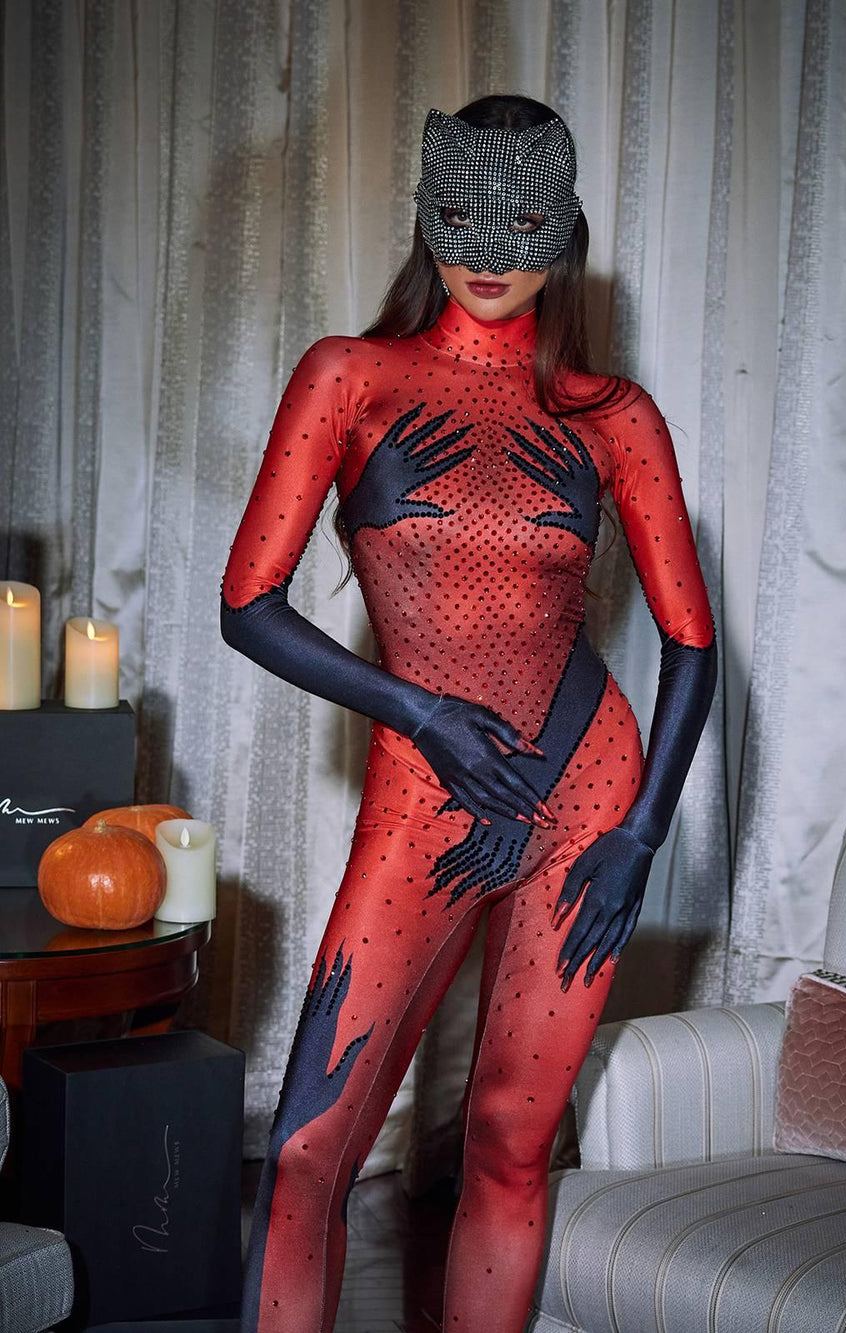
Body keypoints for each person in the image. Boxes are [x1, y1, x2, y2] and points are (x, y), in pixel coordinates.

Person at [221, 93, 717, 1333]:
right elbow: (246, 606)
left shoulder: (613, 415)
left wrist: (641, 834)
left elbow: (692, 645)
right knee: (306, 1153)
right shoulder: (350, 376)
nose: (489, 256)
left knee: (507, 1141)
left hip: (586, 799)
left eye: (524, 227)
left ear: (568, 231)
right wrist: (421, 712)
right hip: (422, 789)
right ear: (423, 219)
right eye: (460, 221)